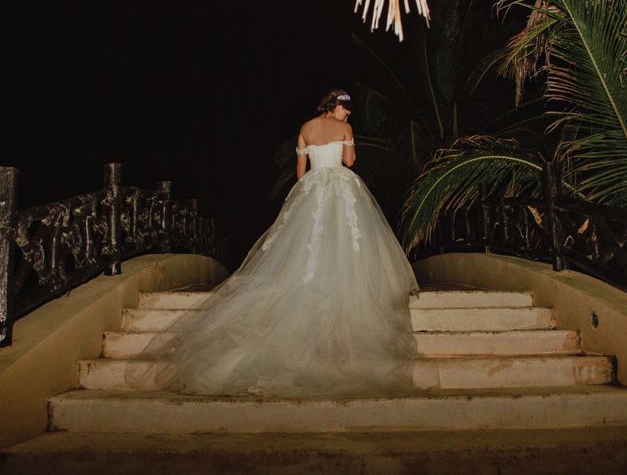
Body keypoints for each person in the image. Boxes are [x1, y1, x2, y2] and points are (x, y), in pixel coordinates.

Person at [128, 89, 419, 398]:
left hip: (312, 187)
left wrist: (310, 183)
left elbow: (299, 171)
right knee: (347, 235)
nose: (348, 114)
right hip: (340, 186)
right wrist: (346, 144)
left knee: (306, 240)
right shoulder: (344, 128)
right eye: (345, 109)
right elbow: (349, 162)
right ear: (334, 106)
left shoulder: (305, 128)